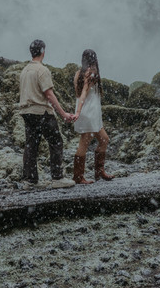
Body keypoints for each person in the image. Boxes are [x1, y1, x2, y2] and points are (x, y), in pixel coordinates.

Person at [18, 39, 77, 188]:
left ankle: (30, 180)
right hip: (41, 111)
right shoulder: (42, 70)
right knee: (56, 141)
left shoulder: (25, 71)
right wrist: (63, 114)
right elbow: (49, 95)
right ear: (43, 52)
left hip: (26, 111)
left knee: (31, 144)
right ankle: (57, 178)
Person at [71, 49, 114, 184]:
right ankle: (78, 176)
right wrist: (78, 112)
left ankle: (99, 171)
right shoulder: (90, 74)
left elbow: (78, 94)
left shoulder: (78, 73)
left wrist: (78, 110)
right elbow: (83, 93)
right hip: (89, 112)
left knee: (104, 139)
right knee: (85, 142)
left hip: (90, 113)